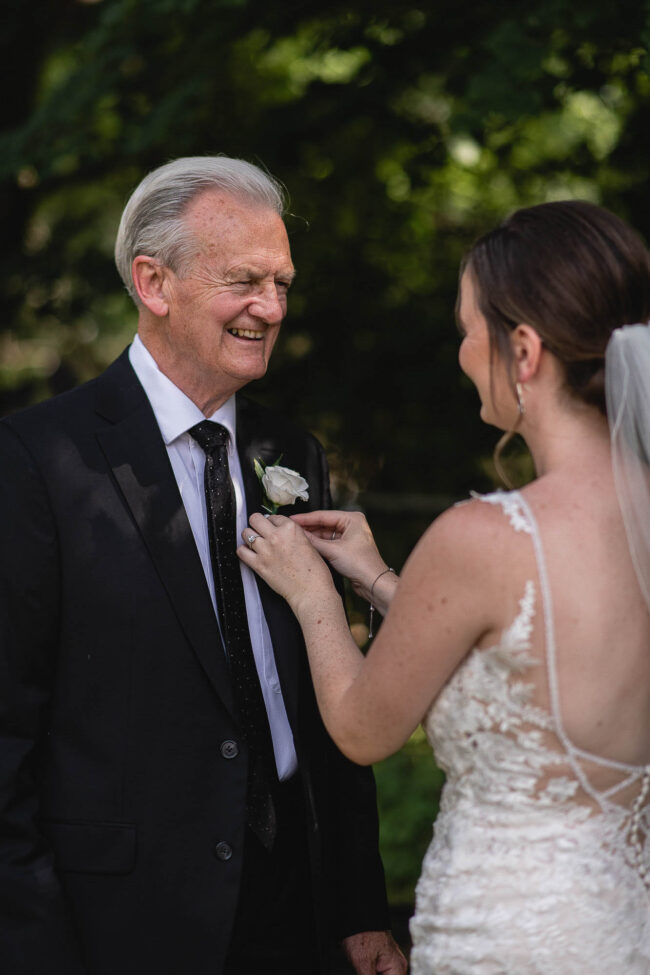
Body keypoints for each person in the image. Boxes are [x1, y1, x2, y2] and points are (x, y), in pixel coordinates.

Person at [0, 156, 407, 975]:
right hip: (125, 917)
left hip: (295, 900)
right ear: (154, 282)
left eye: (283, 283)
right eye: (245, 281)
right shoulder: (39, 460)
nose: (273, 307)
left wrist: (359, 906)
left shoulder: (290, 453)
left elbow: (327, 697)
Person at [237, 200, 650, 974]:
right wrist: (381, 577)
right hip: (624, 932)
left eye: (468, 330)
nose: (461, 353)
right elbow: (541, 662)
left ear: (523, 350)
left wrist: (315, 595)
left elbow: (364, 728)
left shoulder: (486, 537)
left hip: (508, 941)